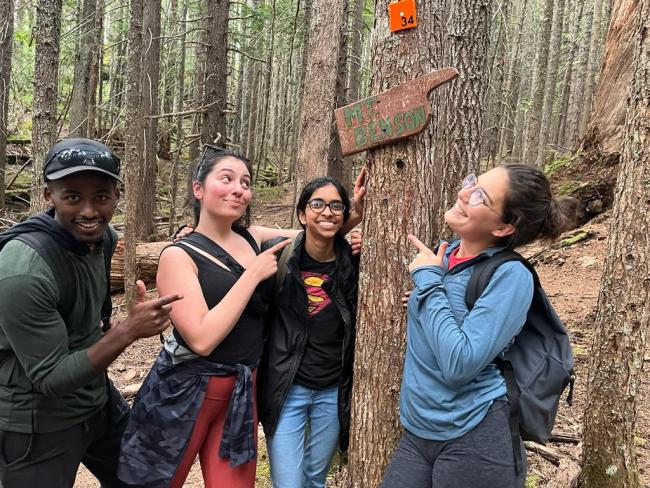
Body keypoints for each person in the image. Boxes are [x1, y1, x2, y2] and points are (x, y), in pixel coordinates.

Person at [117, 147, 365, 488]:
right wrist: (252, 274)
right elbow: (202, 339)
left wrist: (356, 217)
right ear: (198, 189)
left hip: (242, 390)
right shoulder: (178, 255)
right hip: (185, 391)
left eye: (245, 182)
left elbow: (317, 233)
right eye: (226, 179)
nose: (238, 188)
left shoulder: (255, 237)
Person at [0, 138, 182, 488]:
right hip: (36, 423)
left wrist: (111, 326)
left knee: (146, 478)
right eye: (72, 197)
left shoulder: (105, 239)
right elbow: (50, 378)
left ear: (116, 195)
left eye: (100, 196)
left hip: (96, 402)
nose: (88, 211)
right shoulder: (22, 271)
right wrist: (128, 331)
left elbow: (88, 324)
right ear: (47, 196)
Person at [381, 164, 575, 488]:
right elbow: (444, 314)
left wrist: (429, 286)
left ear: (502, 227)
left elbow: (460, 363)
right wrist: (423, 300)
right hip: (418, 431)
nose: (463, 193)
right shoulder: (447, 256)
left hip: (473, 433)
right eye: (471, 182)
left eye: (480, 196)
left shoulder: (512, 277)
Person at [259, 176, 360, 488]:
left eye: (336, 206)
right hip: (288, 388)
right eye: (317, 204)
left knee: (315, 480)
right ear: (302, 214)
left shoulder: (355, 263)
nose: (327, 212)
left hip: (332, 390)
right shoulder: (279, 259)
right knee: (288, 483)